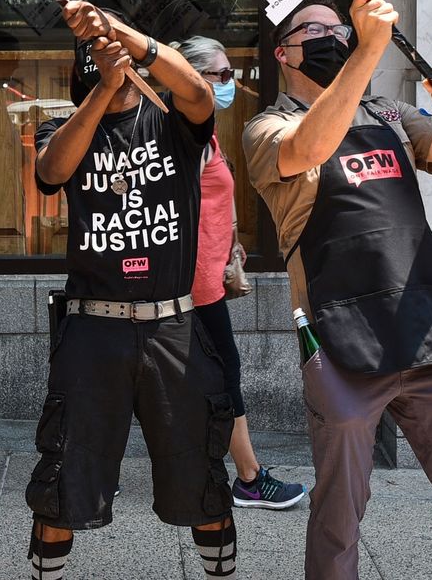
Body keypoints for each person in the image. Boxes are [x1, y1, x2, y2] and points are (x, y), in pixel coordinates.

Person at [243, 0, 432, 580]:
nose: (335, 39)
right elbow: (311, 145)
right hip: (340, 341)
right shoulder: (266, 128)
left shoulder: (389, 113)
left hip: (431, 328)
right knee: (340, 512)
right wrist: (366, 51)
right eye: (318, 33)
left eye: (342, 30)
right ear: (283, 54)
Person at [26, 1, 236, 580]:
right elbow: (51, 172)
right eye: (95, 54)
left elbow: (197, 93)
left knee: (202, 476)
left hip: (174, 325)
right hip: (95, 327)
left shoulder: (171, 123)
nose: (105, 58)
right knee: (64, 475)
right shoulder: (65, 127)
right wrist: (104, 90)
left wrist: (132, 44)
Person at [174, 35, 307, 511]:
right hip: (188, 281)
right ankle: (249, 478)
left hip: (206, 273)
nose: (231, 84)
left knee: (185, 378)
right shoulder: (182, 134)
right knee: (222, 373)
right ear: (193, 79)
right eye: (222, 76)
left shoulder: (203, 132)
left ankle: (99, 468)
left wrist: (230, 241)